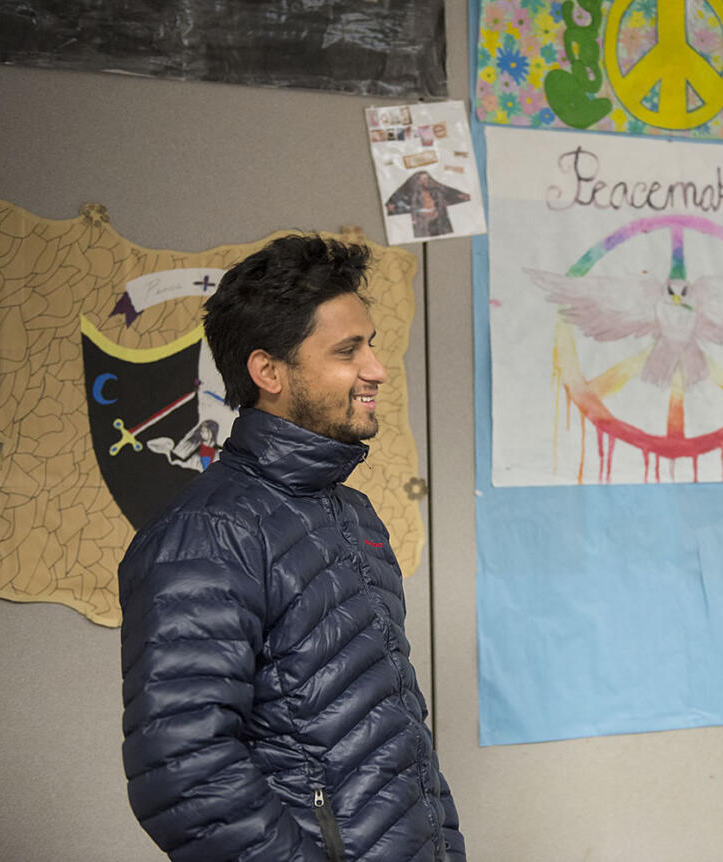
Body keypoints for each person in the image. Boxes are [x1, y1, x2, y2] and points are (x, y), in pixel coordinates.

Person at [119, 235, 464, 862]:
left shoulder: (350, 513)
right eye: (347, 350)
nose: (377, 369)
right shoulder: (208, 533)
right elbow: (183, 768)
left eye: (372, 345)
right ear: (269, 372)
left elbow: (392, 738)